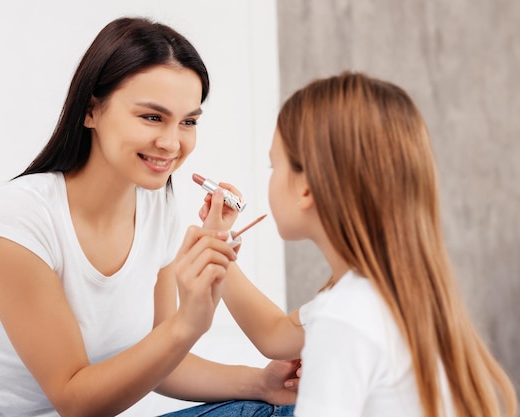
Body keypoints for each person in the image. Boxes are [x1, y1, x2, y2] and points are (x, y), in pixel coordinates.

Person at [0, 17, 298, 417]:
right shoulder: (19, 219)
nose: (172, 143)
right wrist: (188, 324)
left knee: (279, 409)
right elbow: (74, 401)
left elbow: (158, 359)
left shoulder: (156, 207)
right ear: (91, 110)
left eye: (188, 121)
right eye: (152, 117)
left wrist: (261, 383)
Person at [199, 72, 518, 417]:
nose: (270, 177)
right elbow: (274, 335)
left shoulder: (343, 315)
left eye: (273, 165)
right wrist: (217, 245)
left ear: (306, 188)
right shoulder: (396, 294)